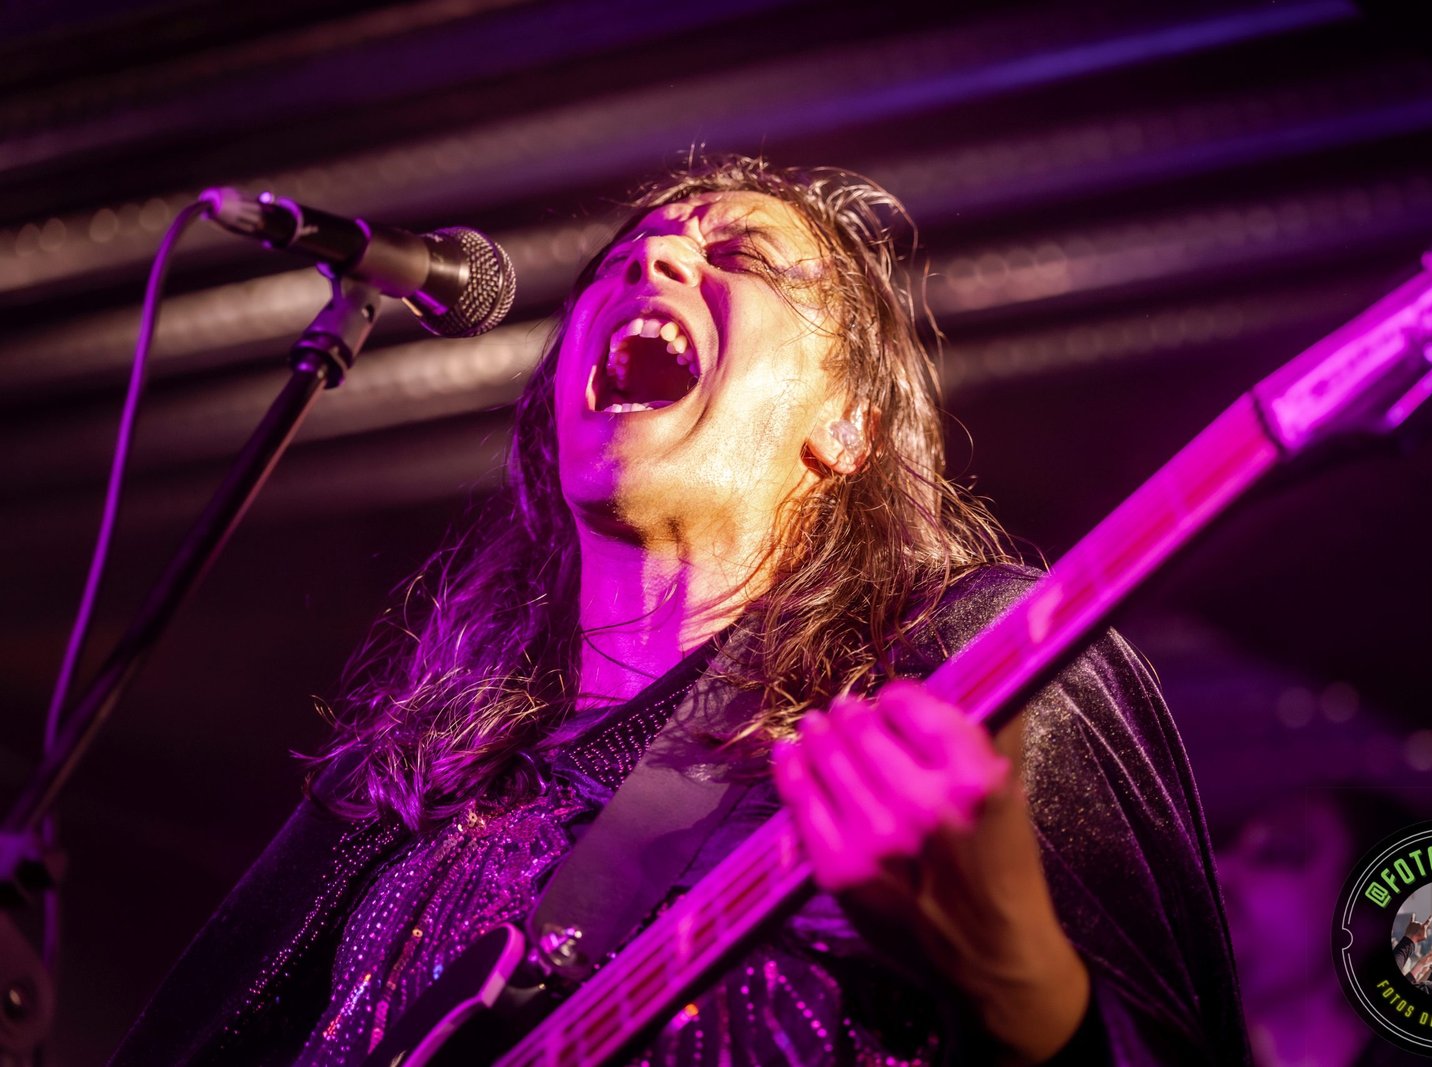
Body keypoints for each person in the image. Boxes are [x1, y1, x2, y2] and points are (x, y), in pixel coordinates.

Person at [113, 156, 1249, 1065]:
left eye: (736, 252)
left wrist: (1029, 994)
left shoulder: (967, 671)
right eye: (623, 254)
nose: (650, 253)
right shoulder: (405, 785)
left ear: (847, 423)